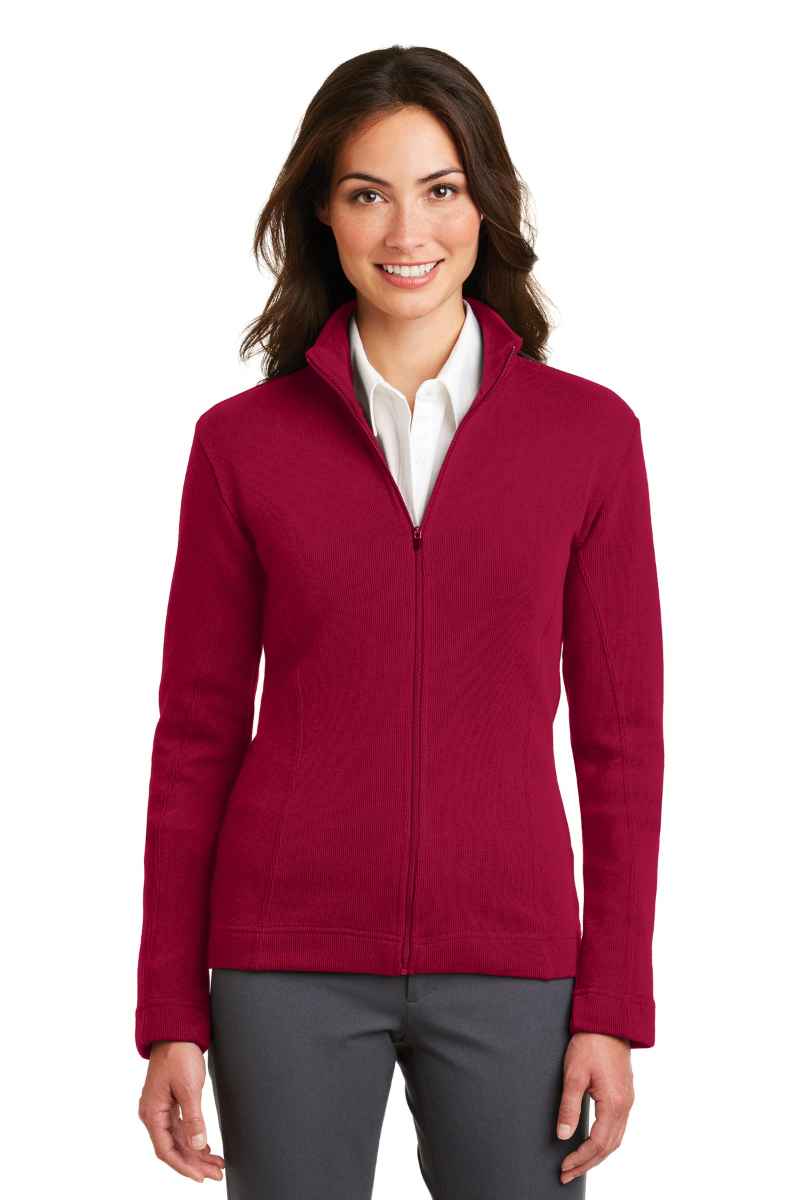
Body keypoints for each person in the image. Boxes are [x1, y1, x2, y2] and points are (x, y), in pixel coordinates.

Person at [135, 45, 664, 1199]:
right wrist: (169, 1007)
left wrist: (614, 1002)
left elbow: (621, 745)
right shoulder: (241, 446)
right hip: (283, 961)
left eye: (440, 189)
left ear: (484, 206)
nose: (406, 229)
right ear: (322, 215)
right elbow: (196, 738)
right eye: (367, 193)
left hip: (515, 959)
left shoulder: (588, 438)